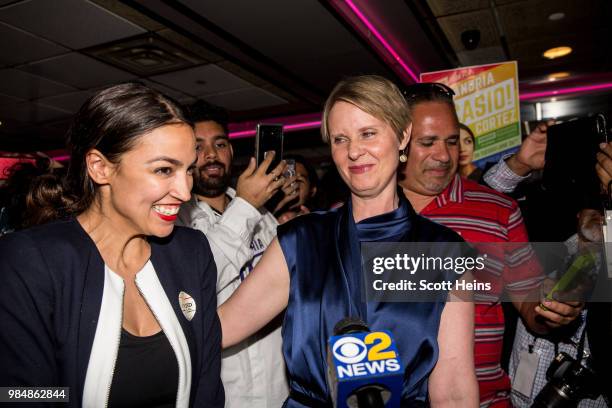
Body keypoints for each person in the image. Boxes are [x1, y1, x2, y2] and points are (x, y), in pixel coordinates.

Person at [219, 75, 478, 406]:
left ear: (403, 135)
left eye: (368, 133)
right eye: (341, 139)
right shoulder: (300, 241)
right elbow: (220, 328)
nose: (354, 151)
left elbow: (454, 391)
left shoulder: (444, 253)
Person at [0, 83, 224, 407]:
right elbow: (18, 394)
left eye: (188, 170)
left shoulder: (190, 252)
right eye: (164, 169)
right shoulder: (31, 261)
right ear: (100, 167)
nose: (186, 192)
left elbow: (206, 388)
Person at [399, 82, 582, 407]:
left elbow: (529, 304)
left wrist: (551, 307)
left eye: (452, 141)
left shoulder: (498, 210)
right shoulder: (361, 215)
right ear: (398, 141)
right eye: (427, 142)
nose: (443, 155)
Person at [177, 100, 290, 407]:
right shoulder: (176, 220)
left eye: (220, 143)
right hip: (224, 393)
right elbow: (196, 284)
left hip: (280, 388)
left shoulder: (264, 215)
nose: (211, 155)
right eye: (198, 147)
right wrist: (246, 206)